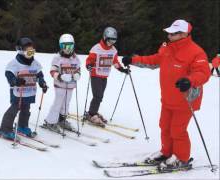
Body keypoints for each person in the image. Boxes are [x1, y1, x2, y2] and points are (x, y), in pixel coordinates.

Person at [122, 19, 211, 169]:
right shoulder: (167, 49)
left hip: (185, 100)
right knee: (164, 126)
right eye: (168, 33)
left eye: (172, 33)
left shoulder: (196, 52)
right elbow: (153, 60)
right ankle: (167, 152)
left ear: (183, 34)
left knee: (177, 130)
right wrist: (133, 60)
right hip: (168, 99)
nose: (168, 36)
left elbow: (203, 72)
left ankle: (181, 158)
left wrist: (189, 81)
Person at [0, 37, 48, 140]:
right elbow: (8, 74)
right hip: (18, 92)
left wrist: (42, 83)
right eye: (27, 50)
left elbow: (39, 75)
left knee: (26, 110)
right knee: (14, 109)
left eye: (32, 50)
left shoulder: (35, 63)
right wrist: (15, 81)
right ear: (20, 50)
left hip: (29, 92)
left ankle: (22, 126)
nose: (30, 52)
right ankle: (5, 129)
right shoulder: (14, 63)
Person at [85, 27, 129, 127]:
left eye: (114, 41)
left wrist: (122, 69)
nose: (111, 43)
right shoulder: (96, 48)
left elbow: (115, 62)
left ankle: (93, 111)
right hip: (95, 75)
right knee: (97, 96)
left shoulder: (113, 50)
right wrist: (89, 65)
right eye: (110, 40)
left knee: (100, 96)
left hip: (104, 76)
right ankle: (91, 114)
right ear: (105, 38)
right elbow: (89, 60)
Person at [42, 34, 81, 133]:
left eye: (70, 46)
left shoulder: (76, 58)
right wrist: (60, 76)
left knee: (66, 103)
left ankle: (61, 119)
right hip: (60, 85)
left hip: (71, 85)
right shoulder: (57, 58)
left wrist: (77, 74)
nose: (67, 49)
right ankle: (50, 121)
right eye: (65, 46)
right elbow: (52, 71)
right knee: (58, 103)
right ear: (61, 46)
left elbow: (78, 69)